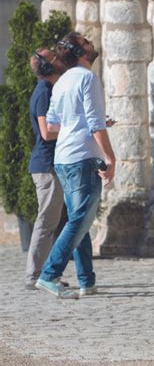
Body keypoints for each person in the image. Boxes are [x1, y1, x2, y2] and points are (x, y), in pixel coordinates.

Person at [35, 32, 116, 299]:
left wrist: (90, 124)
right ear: (79, 51)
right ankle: (49, 274)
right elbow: (93, 123)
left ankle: (86, 280)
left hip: (63, 157)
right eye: (84, 41)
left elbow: (55, 124)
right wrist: (110, 158)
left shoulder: (61, 83)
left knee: (78, 220)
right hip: (82, 157)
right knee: (80, 219)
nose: (90, 42)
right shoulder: (88, 78)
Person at [25, 48, 68, 290]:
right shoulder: (43, 93)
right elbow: (46, 131)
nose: (59, 59)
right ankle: (34, 275)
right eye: (54, 57)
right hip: (46, 166)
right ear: (49, 66)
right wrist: (76, 128)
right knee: (46, 221)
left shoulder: (52, 89)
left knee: (52, 221)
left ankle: (46, 272)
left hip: (51, 164)